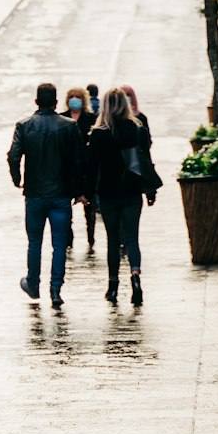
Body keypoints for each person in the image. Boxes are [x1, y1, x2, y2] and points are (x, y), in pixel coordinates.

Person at [7, 82, 85, 308]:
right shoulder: (69, 126)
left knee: (34, 242)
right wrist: (78, 190)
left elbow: (13, 156)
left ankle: (33, 283)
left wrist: (18, 180)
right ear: (56, 101)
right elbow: (79, 161)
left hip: (34, 193)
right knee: (59, 244)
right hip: (61, 194)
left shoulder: (24, 126)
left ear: (36, 101)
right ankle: (55, 289)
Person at [86, 87, 158, 307]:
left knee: (113, 240)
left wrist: (87, 194)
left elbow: (92, 168)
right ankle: (135, 276)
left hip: (108, 193)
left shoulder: (98, 134)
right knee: (132, 238)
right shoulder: (137, 130)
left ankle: (113, 284)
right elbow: (146, 162)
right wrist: (150, 190)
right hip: (132, 191)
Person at [62, 86, 98, 252]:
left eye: (78, 97)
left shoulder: (91, 119)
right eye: (72, 96)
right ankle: (69, 238)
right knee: (65, 208)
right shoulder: (61, 119)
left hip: (86, 166)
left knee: (89, 206)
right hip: (67, 168)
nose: (74, 99)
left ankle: (91, 236)